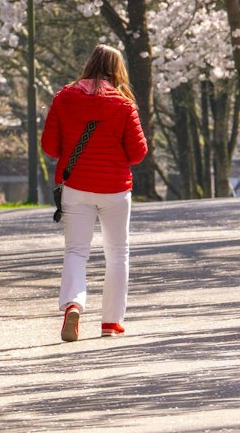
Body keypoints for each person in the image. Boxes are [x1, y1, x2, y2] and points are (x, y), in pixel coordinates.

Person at [41, 44, 148, 343]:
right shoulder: (124, 104)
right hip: (115, 189)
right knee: (117, 253)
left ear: (89, 64)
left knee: (76, 251)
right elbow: (138, 153)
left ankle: (73, 304)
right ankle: (111, 322)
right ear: (118, 70)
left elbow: (49, 146)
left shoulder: (64, 97)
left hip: (76, 186)